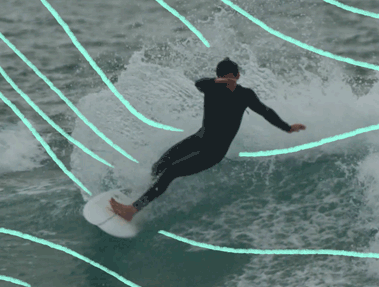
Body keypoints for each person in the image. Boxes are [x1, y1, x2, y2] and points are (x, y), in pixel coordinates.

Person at [109, 57, 306, 221]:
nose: (228, 81)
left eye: (231, 77)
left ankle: (132, 210)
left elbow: (265, 111)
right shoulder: (211, 88)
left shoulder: (245, 95)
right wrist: (219, 82)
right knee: (159, 164)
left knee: (171, 171)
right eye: (224, 77)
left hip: (214, 151)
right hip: (199, 138)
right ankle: (142, 193)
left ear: (238, 76)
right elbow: (199, 83)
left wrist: (287, 127)